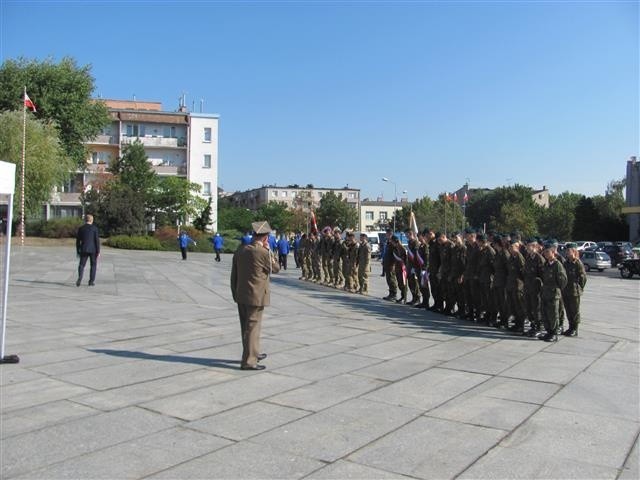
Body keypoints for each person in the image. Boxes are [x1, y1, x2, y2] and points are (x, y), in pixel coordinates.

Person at [230, 221, 280, 370]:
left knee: (245, 327)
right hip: (256, 296)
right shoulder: (262, 253)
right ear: (265, 238)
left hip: (241, 294)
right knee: (253, 328)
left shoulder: (241, 250)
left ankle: (253, 353)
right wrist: (269, 251)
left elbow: (234, 275)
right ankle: (249, 361)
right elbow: (276, 268)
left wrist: (235, 292)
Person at [540, 240, 568, 342]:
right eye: (545, 252)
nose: (545, 253)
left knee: (553, 314)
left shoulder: (557, 265)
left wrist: (557, 290)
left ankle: (554, 333)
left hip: (553, 293)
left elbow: (563, 280)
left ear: (553, 252)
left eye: (547, 251)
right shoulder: (546, 264)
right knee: (545, 313)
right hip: (545, 292)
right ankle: (549, 332)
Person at [562, 243, 587, 337]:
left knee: (574, 311)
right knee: (568, 310)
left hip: (574, 291)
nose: (567, 252)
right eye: (566, 251)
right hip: (566, 290)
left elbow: (583, 277)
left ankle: (575, 329)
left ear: (574, 251)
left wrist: (579, 288)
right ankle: (570, 327)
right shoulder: (566, 263)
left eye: (569, 251)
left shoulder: (577, 263)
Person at [76, 214, 100, 286]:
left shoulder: (81, 228)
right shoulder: (95, 228)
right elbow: (97, 241)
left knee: (81, 265)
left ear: (85, 220)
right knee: (93, 265)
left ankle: (80, 278)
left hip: (84, 249)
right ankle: (91, 281)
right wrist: (98, 251)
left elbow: (78, 241)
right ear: (92, 220)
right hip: (93, 250)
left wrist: (78, 250)